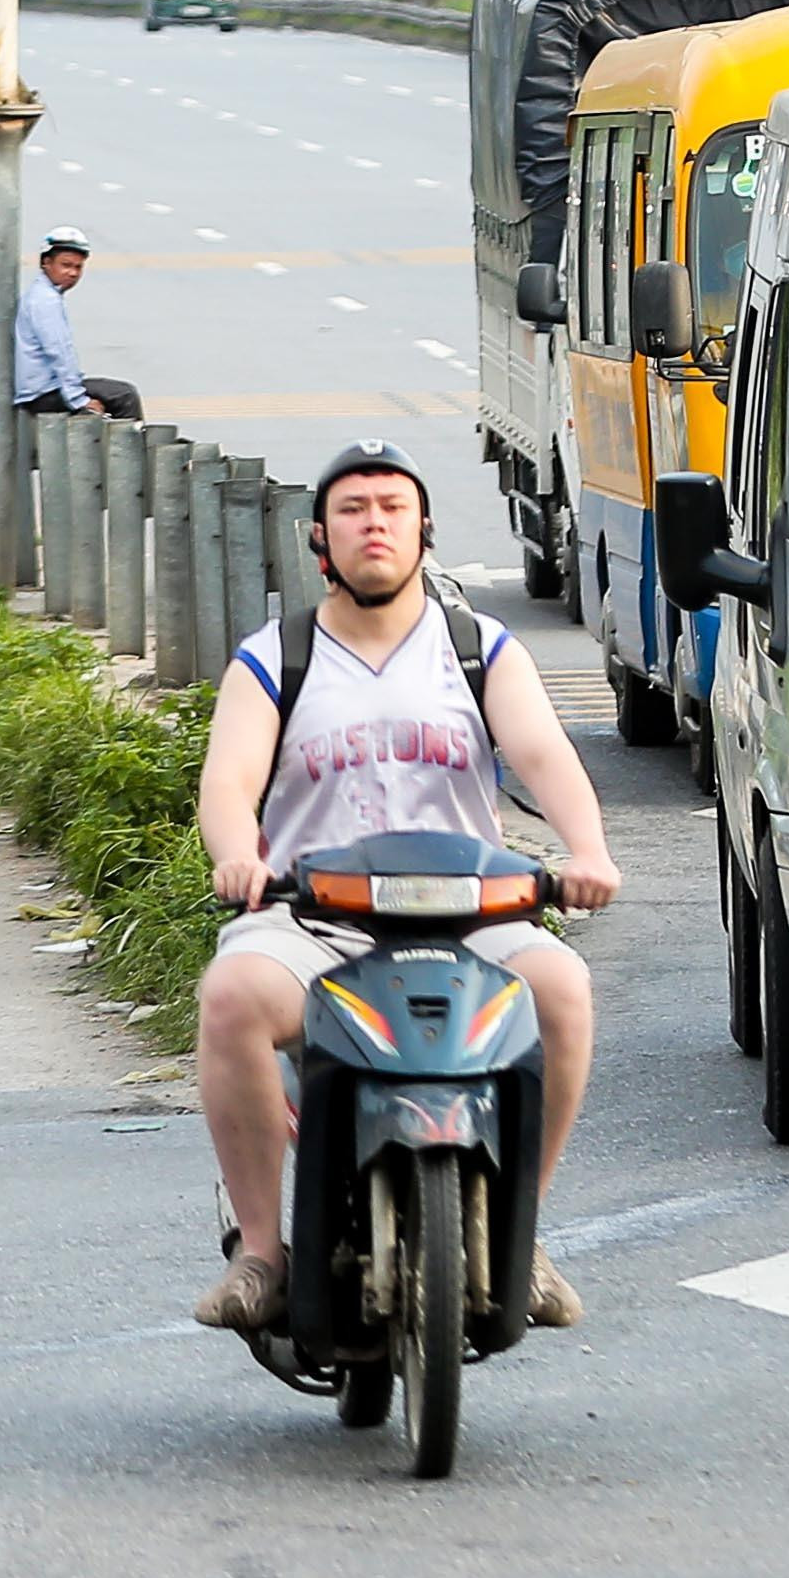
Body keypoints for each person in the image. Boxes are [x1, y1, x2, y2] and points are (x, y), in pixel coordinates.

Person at [189, 441, 618, 1335]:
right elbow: (228, 783)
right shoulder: (276, 657)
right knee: (231, 995)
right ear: (320, 537)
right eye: (352, 508)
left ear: (425, 529)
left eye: (392, 506)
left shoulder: (478, 650)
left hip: (466, 917)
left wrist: (586, 850)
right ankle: (264, 1253)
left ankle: (519, 1236)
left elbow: (542, 754)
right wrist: (240, 857)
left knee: (564, 990)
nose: (373, 523)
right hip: (315, 919)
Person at [14, 225, 126, 417]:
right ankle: (128, 446)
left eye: (78, 267)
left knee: (112, 391)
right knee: (124, 396)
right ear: (46, 263)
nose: (73, 273)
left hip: (43, 388)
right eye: (66, 265)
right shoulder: (45, 301)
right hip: (42, 393)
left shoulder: (43, 295)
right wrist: (79, 401)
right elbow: (59, 352)